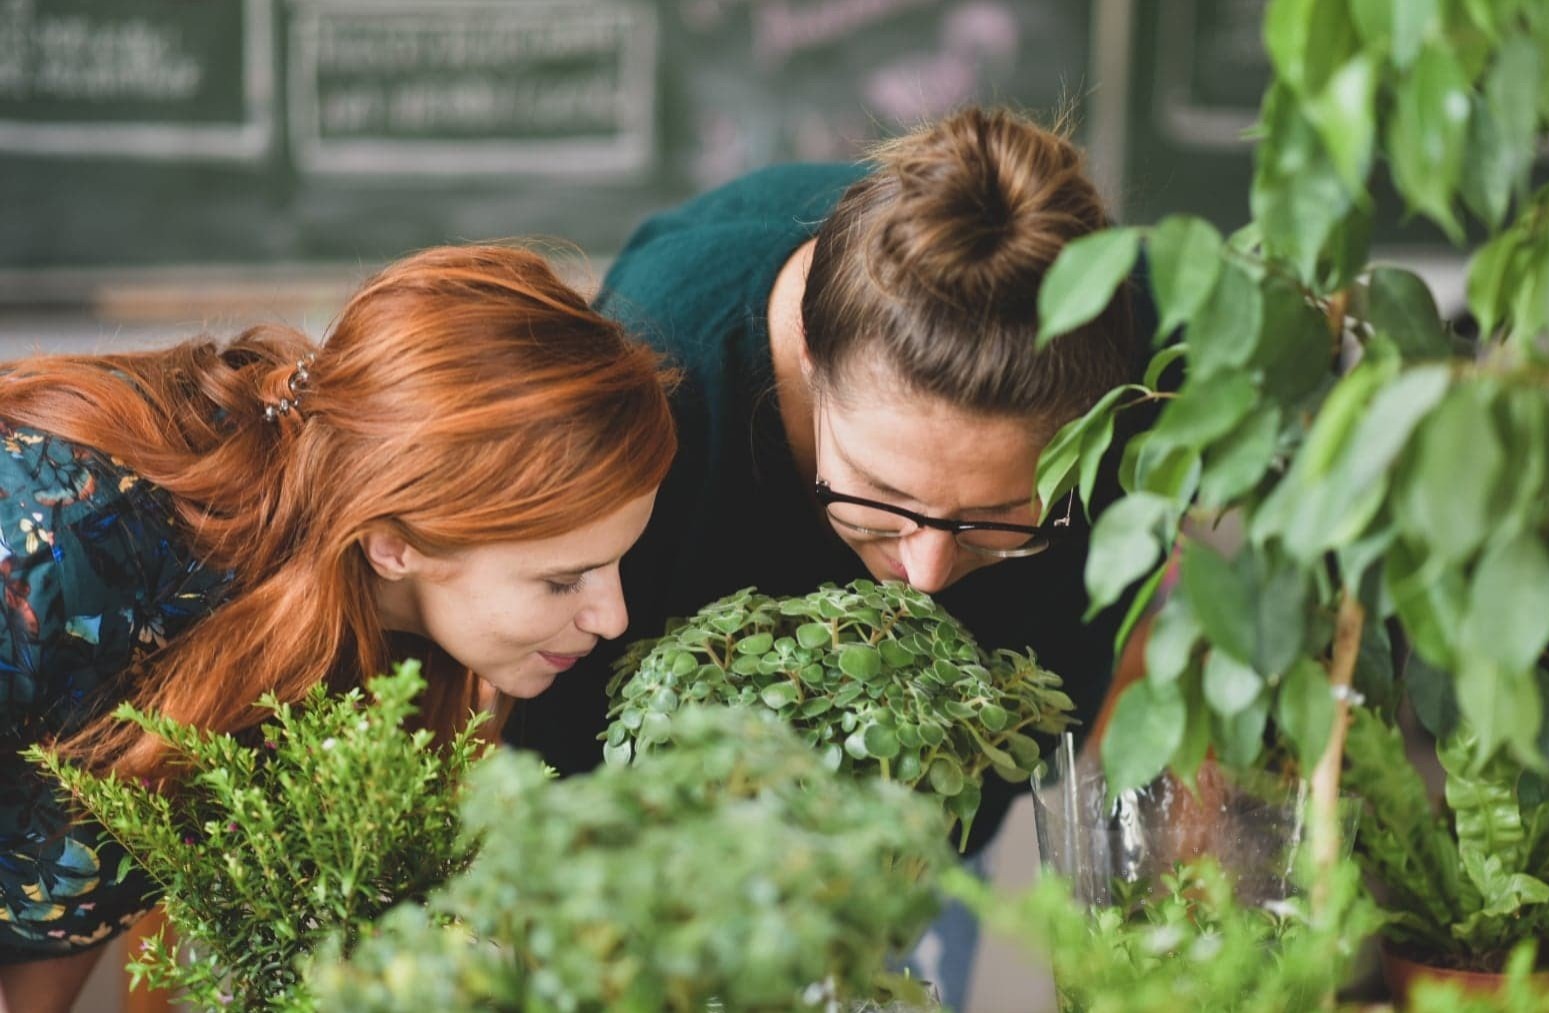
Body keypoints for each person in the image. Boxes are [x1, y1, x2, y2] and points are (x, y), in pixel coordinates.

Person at [503, 106, 1149, 1004]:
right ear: (808, 354)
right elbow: (563, 761)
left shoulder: (1127, 343)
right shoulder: (665, 379)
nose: (925, 575)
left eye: (997, 516)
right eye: (881, 501)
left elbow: (1081, 652)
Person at [0, 245, 677, 1012]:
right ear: (394, 542)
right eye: (561, 579)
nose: (612, 617)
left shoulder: (358, 631)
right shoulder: (48, 552)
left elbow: (65, 870)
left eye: (615, 563)